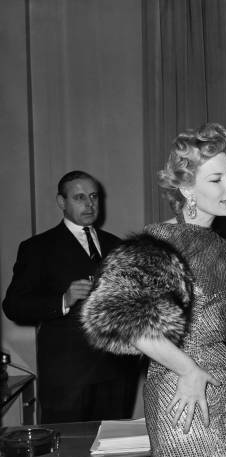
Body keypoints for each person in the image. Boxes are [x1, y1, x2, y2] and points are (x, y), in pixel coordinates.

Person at [81, 123, 226, 457]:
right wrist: (188, 370)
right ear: (186, 187)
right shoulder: (159, 241)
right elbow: (122, 319)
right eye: (216, 179)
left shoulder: (223, 246)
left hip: (220, 384)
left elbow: (222, 328)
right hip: (182, 386)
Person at [2, 171, 138, 423]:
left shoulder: (118, 246)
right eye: (79, 197)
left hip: (117, 372)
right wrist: (62, 300)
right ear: (61, 202)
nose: (89, 204)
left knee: (114, 455)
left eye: (94, 196)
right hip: (67, 376)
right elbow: (14, 306)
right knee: (67, 450)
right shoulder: (37, 248)